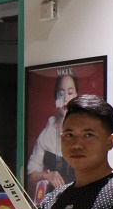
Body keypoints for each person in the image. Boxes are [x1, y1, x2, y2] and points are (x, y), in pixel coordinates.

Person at [26, 71, 79, 199]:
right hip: (52, 203)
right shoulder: (46, 135)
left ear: (76, 96)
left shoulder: (85, 131)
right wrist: (46, 175)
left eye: (70, 93)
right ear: (56, 98)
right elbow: (30, 176)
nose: (65, 99)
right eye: (61, 93)